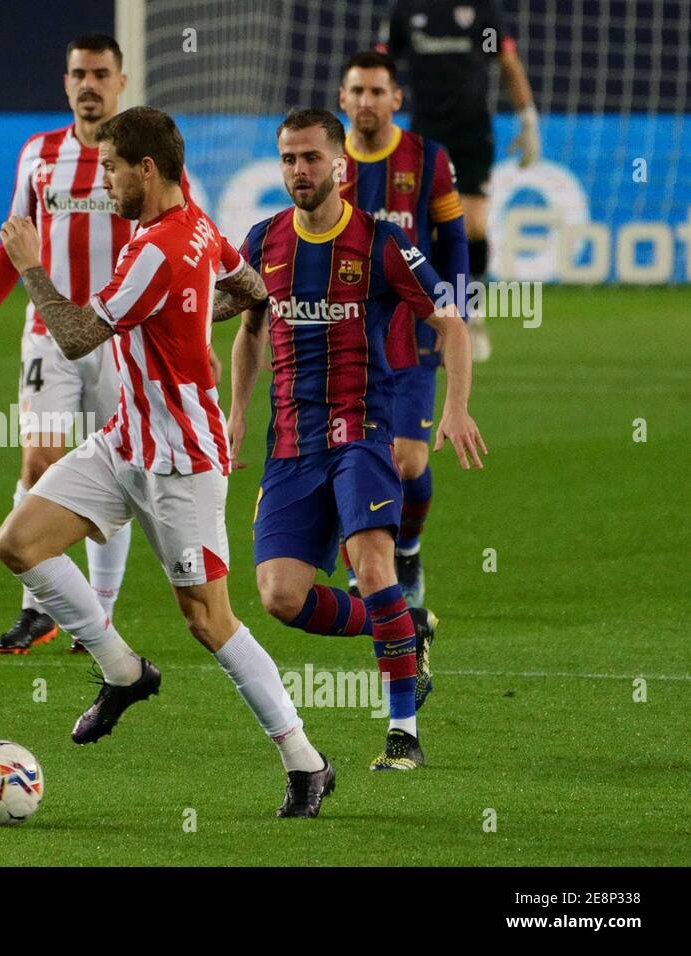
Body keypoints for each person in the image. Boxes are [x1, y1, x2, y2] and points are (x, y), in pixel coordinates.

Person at [0, 106, 335, 818]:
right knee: (18, 543)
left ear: (146, 169)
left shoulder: (154, 248)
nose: (106, 179)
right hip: (125, 441)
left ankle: (306, 761)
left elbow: (80, 336)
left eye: (113, 167)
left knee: (209, 621)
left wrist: (31, 267)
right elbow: (250, 291)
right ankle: (121, 670)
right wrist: (181, 311)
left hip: (182, 460)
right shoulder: (201, 227)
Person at [227, 110, 487, 771]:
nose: (298, 171)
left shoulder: (380, 244)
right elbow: (249, 330)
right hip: (290, 443)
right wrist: (234, 413)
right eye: (287, 158)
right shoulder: (263, 240)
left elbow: (449, 323)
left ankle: (403, 734)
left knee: (374, 569)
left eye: (311, 158)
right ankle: (402, 624)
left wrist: (454, 407)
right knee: (280, 598)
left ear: (340, 166)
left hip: (361, 436)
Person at [0, 33, 136, 655]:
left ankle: (99, 615)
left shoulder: (140, 155)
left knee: (121, 472)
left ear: (121, 81)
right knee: (38, 461)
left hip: (118, 334)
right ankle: (40, 608)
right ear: (66, 82)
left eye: (101, 74)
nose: (90, 84)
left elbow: (172, 240)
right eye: (79, 73)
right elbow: (14, 242)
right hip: (48, 334)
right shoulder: (39, 154)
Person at [336, 49, 470, 606]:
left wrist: (458, 312)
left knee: (408, 458)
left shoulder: (428, 158)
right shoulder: (323, 160)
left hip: (410, 332)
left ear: (396, 99)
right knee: (347, 454)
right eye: (356, 91)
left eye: (377, 91)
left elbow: (455, 240)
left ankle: (407, 549)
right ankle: (369, 558)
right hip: (342, 334)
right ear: (342, 98)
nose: (366, 101)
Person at [379, 0, 542, 362]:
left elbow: (506, 62)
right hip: (425, 133)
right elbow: (382, 65)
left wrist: (528, 119)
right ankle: (443, 318)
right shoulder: (407, 13)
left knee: (473, 226)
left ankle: (474, 313)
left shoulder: (480, 11)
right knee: (432, 229)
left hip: (472, 133)